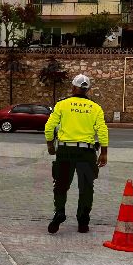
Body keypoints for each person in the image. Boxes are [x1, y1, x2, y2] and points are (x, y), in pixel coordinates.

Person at [44, 74, 109, 234]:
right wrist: (104, 153)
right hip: (86, 152)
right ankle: (83, 222)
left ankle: (59, 212)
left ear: (73, 87)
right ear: (88, 90)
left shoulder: (62, 105)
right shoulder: (95, 108)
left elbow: (49, 126)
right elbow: (102, 130)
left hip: (66, 150)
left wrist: (50, 144)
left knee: (60, 185)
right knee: (86, 188)